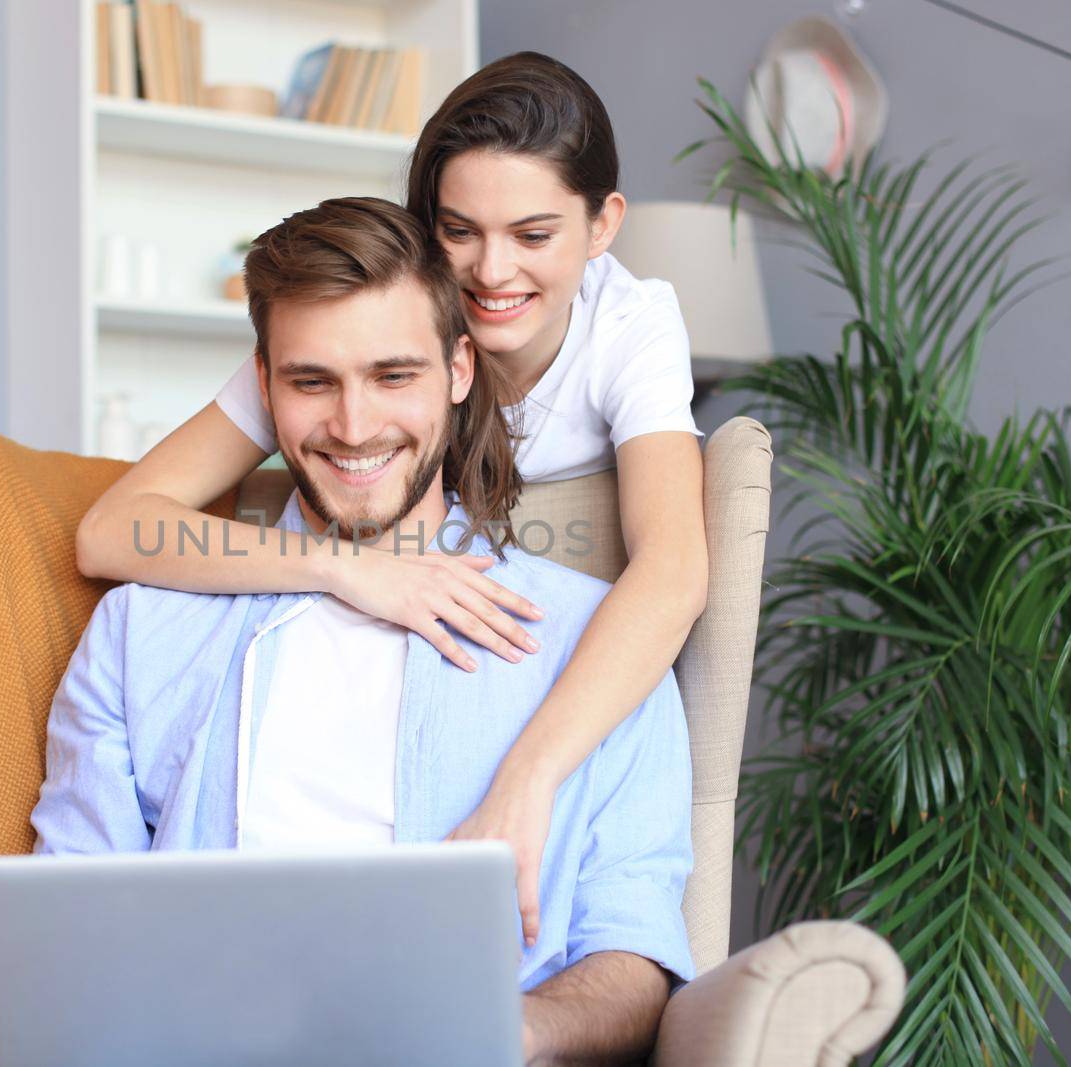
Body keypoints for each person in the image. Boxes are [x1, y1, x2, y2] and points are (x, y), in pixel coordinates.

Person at [34, 198, 694, 1064]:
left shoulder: (597, 649)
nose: (353, 427)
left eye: (393, 376)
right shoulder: (140, 632)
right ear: (264, 386)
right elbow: (65, 932)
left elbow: (633, 951)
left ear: (460, 368)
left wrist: (518, 1032)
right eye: (313, 382)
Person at [74, 52, 707, 950]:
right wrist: (352, 568)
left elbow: (675, 568)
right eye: (460, 231)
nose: (492, 274)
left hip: (515, 630)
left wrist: (527, 779)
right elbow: (110, 529)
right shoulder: (357, 333)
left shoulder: (628, 327)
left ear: (603, 225)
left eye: (534, 235)